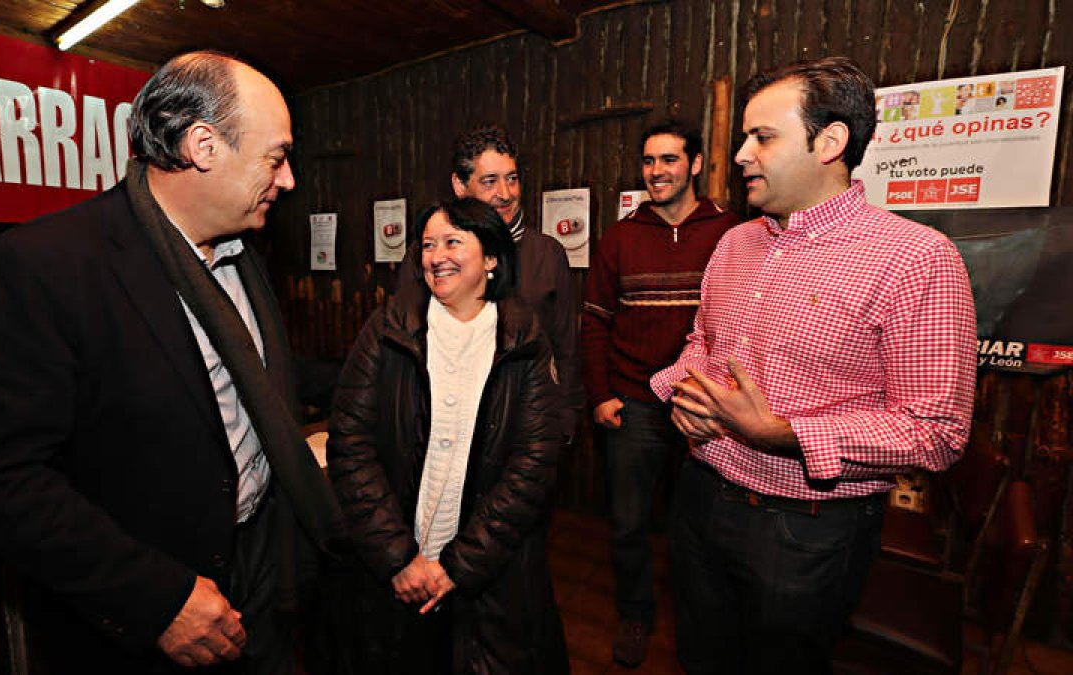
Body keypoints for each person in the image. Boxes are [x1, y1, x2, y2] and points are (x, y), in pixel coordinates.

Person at [0, 51, 344, 674]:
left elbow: (258, 377)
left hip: (266, 567)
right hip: (152, 613)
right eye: (276, 157)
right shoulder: (46, 267)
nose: (287, 180)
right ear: (204, 146)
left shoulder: (242, 255)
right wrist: (155, 599)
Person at [649, 56, 976, 674]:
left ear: (830, 142)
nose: (741, 154)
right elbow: (702, 340)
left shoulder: (916, 260)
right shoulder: (735, 242)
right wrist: (686, 393)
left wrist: (785, 433)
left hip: (806, 531)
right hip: (697, 500)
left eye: (763, 137)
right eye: (744, 136)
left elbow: (937, 430)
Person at [328, 198, 569, 674]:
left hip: (487, 579)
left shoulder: (525, 340)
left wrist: (459, 566)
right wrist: (398, 557)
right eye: (428, 245)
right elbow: (349, 442)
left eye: (453, 242)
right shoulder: (387, 329)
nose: (436, 256)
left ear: (493, 258)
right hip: (393, 570)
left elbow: (532, 467)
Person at [582, 119, 740, 667]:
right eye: (649, 162)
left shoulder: (732, 232)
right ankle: (635, 613)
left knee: (706, 527)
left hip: (707, 406)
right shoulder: (621, 236)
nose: (657, 172)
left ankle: (707, 620)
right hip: (635, 404)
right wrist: (600, 394)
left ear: (694, 164)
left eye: (669, 160)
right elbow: (595, 320)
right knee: (628, 522)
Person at [398, 127, 582, 440]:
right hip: (448, 422)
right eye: (489, 181)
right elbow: (405, 340)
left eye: (511, 178)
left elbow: (565, 346)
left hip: (528, 423)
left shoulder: (547, 253)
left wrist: (566, 417)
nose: (506, 193)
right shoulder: (430, 255)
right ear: (459, 185)